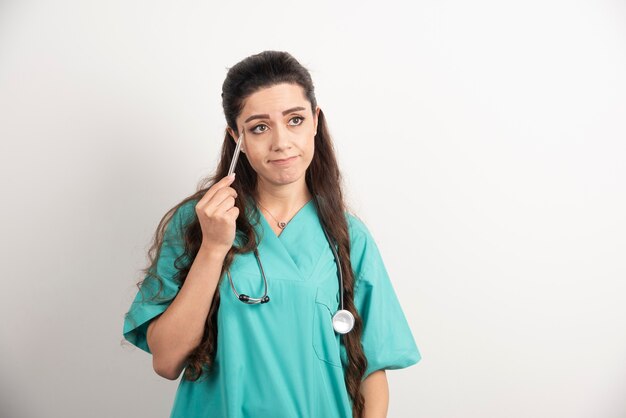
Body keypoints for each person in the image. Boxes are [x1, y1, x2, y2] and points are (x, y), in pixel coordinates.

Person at [122, 50, 421, 418]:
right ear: (237, 136)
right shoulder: (199, 221)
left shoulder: (349, 237)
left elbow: (372, 370)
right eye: (260, 127)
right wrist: (214, 248)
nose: (281, 142)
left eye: (294, 120)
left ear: (315, 121)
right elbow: (166, 361)